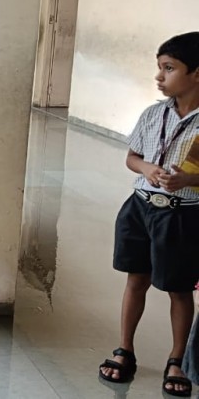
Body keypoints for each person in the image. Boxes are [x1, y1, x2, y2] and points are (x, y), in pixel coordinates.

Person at [97, 32, 199, 397]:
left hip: (181, 214)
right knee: (135, 279)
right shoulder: (153, 114)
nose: (159, 77)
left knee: (179, 289)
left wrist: (189, 179)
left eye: (169, 68)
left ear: (197, 74)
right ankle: (125, 349)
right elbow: (132, 157)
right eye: (159, 68)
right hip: (140, 208)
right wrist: (147, 169)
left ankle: (177, 359)